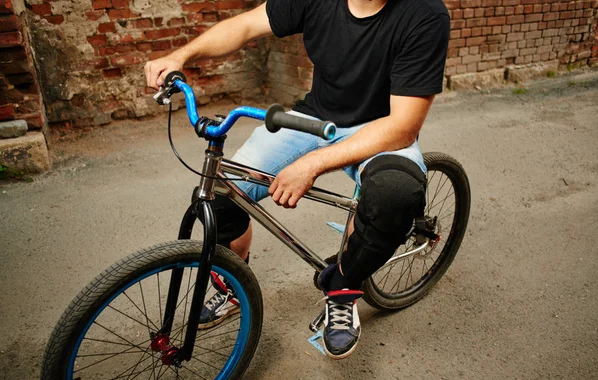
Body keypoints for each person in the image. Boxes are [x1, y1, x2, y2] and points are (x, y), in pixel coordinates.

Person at [145, 0, 449, 359]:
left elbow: (403, 126)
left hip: (381, 131)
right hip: (313, 120)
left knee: (395, 195)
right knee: (222, 193)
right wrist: (182, 55)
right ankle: (232, 281)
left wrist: (313, 164)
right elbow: (244, 25)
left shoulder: (424, 14)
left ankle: (342, 286)